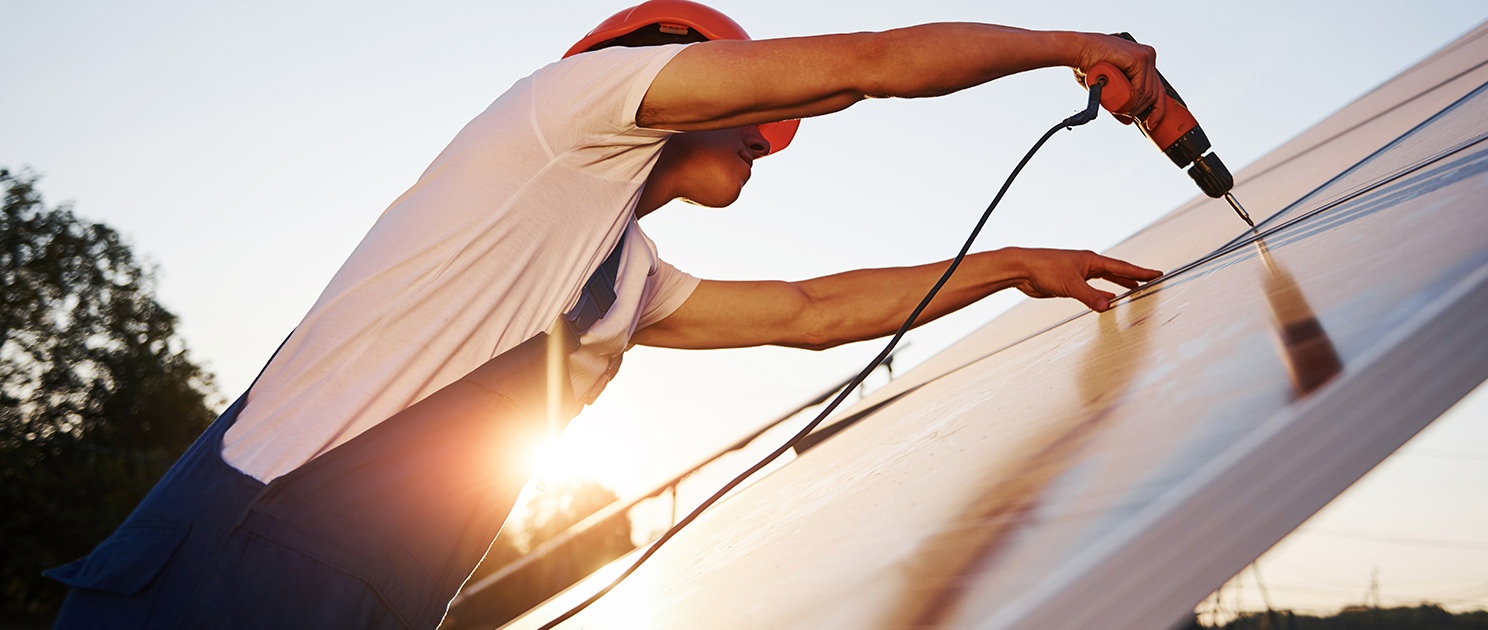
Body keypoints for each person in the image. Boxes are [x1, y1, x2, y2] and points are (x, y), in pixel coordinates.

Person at [47, 1, 1165, 627]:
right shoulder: (561, 107)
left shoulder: (620, 276)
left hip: (358, 600)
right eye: (746, 98)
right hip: (219, 578)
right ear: (658, 71)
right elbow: (868, 64)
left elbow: (812, 310)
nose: (768, 133)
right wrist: (1072, 48)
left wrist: (1016, 264)